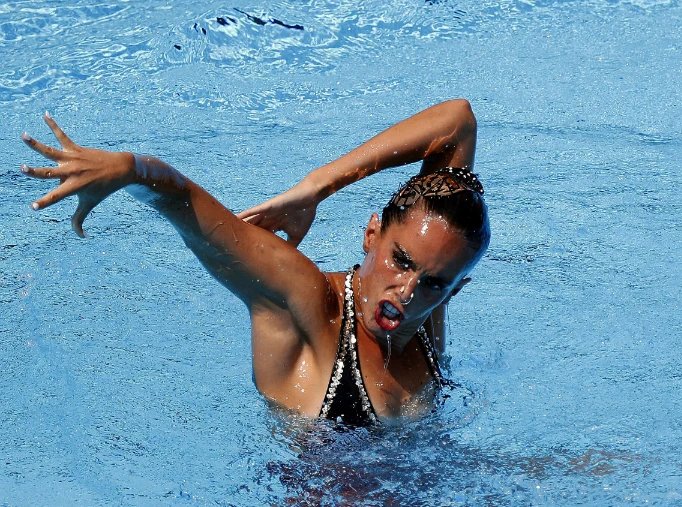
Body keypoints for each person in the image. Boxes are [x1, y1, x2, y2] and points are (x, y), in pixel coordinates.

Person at [20, 99, 488, 425]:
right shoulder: (308, 306)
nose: (405, 292)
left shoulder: (427, 306)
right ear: (371, 235)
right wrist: (129, 171)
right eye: (400, 261)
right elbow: (184, 202)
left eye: (434, 284)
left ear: (455, 289)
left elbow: (458, 124)